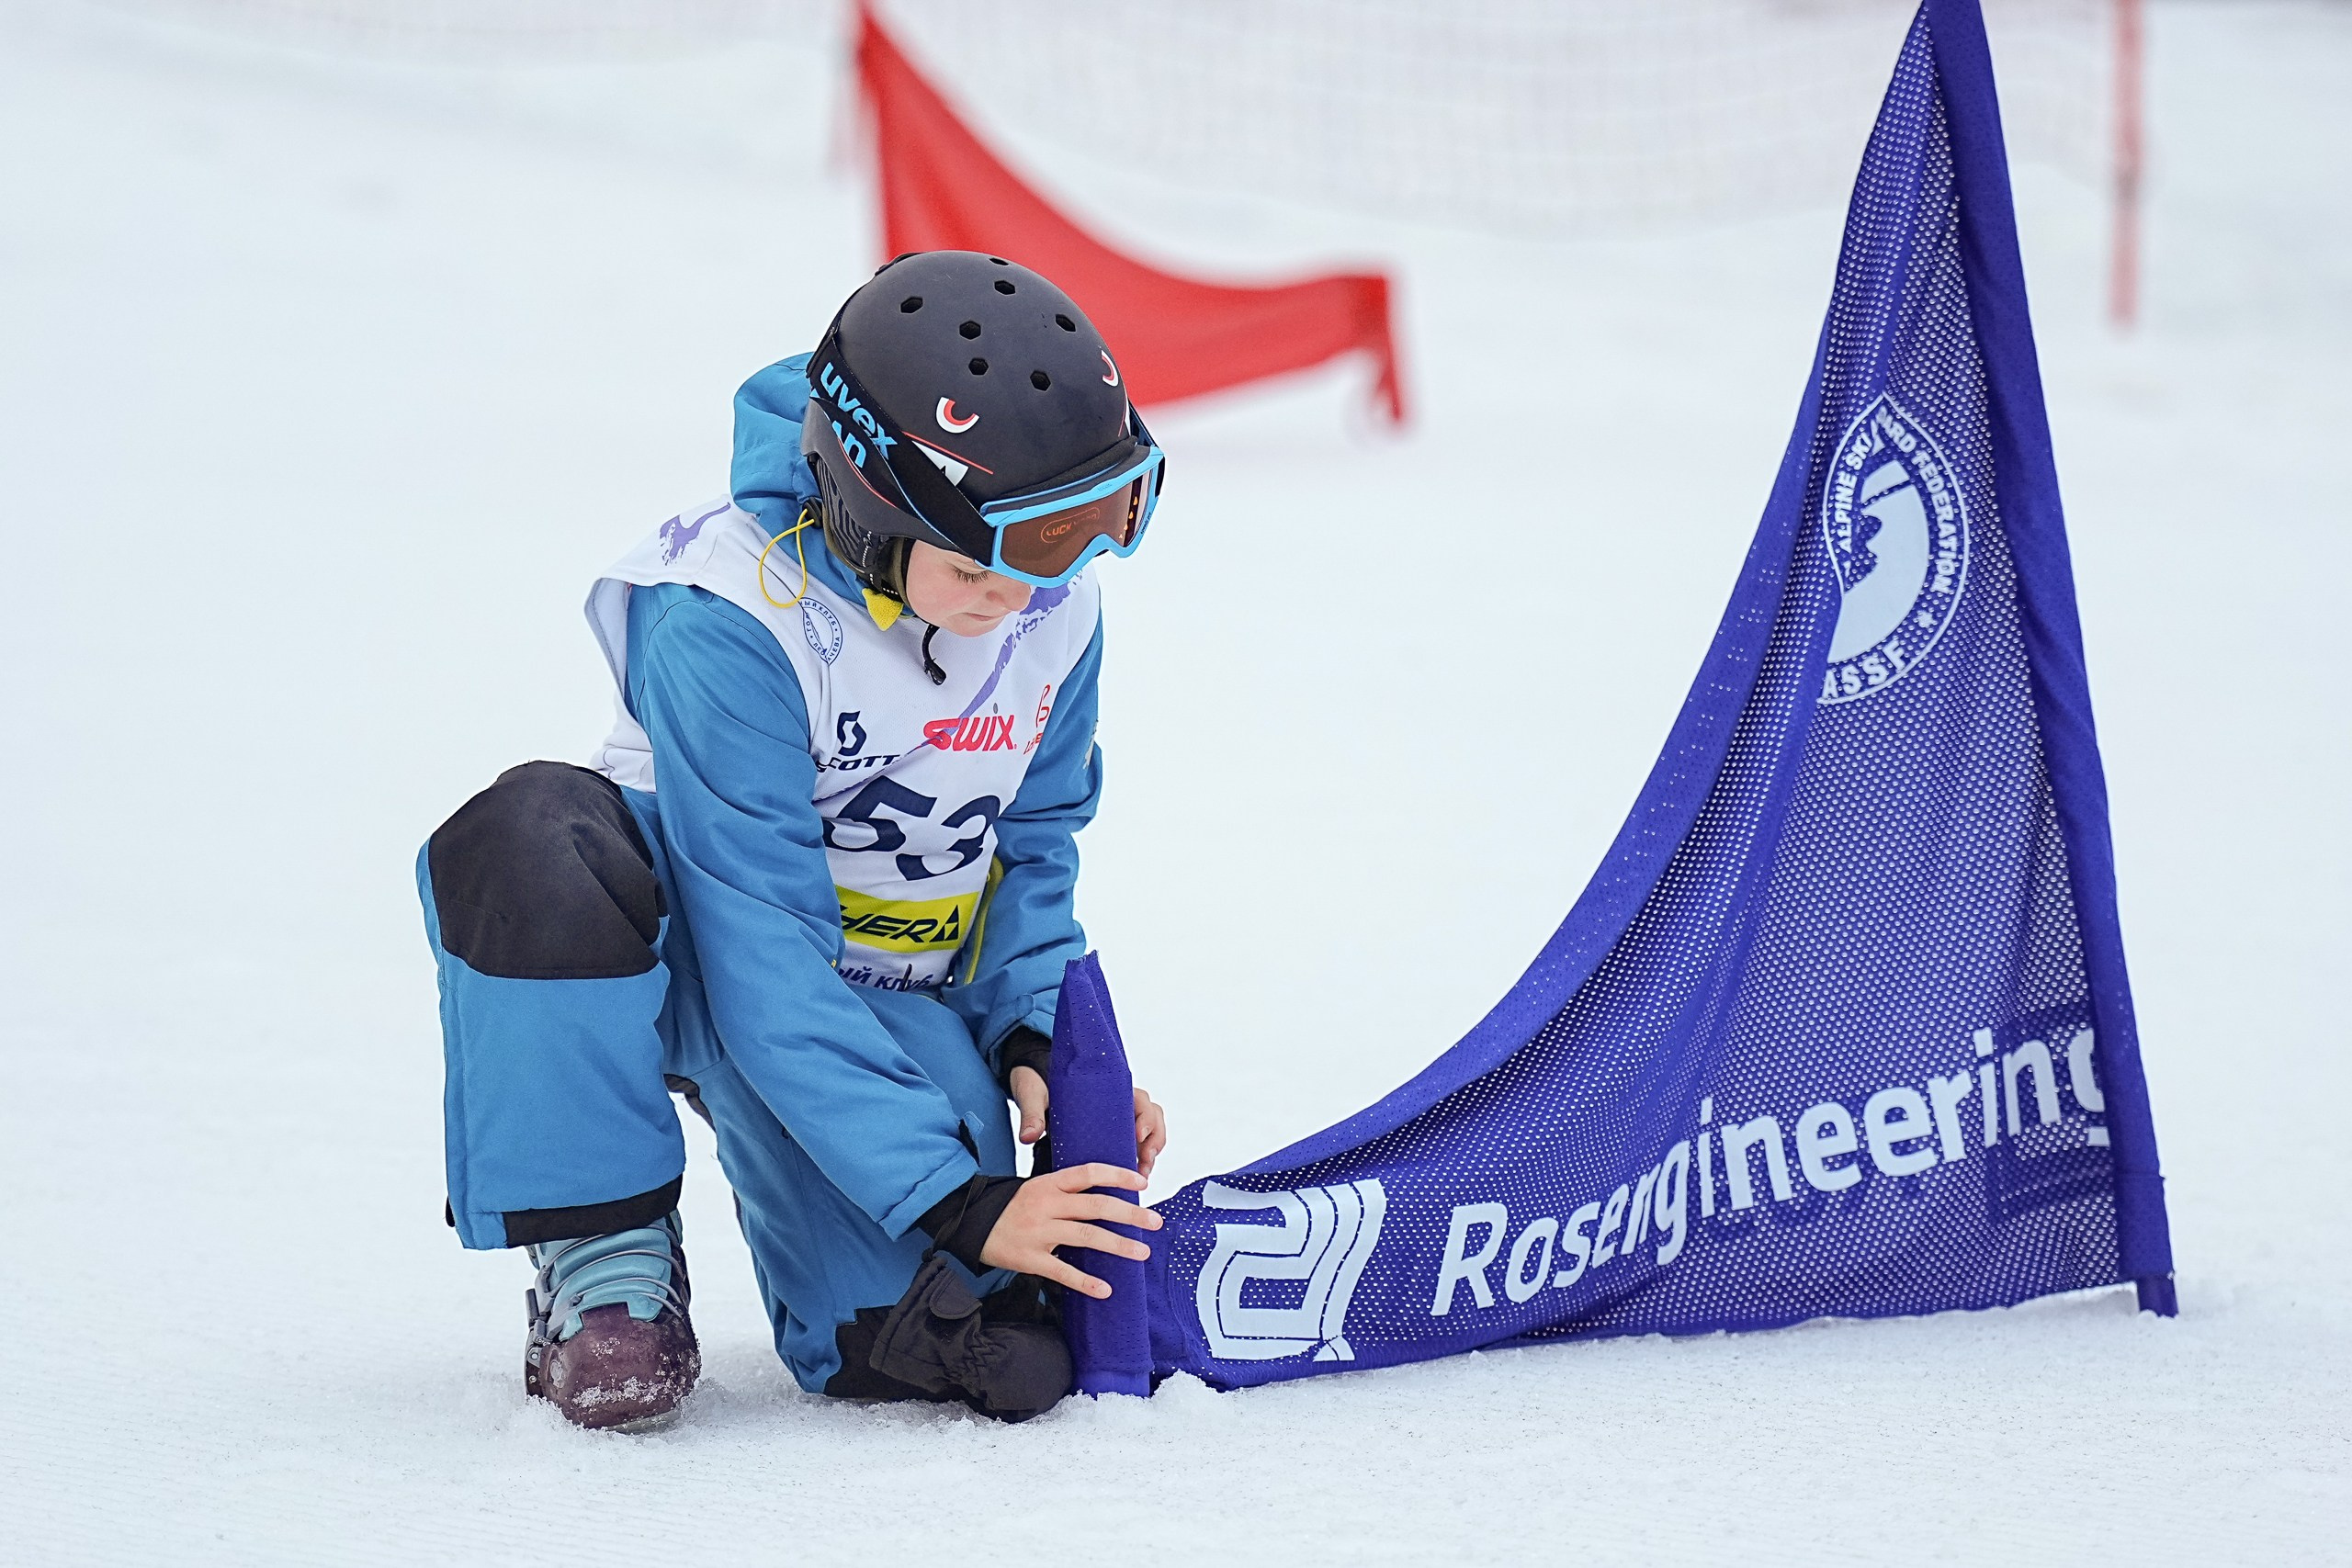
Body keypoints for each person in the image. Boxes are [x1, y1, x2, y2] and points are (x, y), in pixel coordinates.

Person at [417, 251, 1170, 1429]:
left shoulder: (1047, 603)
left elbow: (1034, 839)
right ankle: (603, 1250)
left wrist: (1029, 1034)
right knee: (529, 844)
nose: (1027, 593)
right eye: (986, 562)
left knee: (929, 1347)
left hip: (865, 1002)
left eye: (1081, 537)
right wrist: (956, 1198)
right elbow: (759, 954)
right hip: (691, 962)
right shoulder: (729, 619)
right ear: (875, 515)